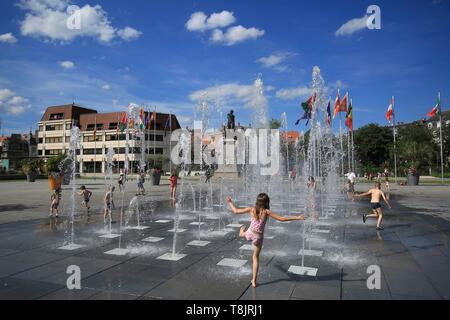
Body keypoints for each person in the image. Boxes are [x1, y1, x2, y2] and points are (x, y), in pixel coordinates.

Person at [226, 193, 305, 288]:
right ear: (267, 202)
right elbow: (282, 219)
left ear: (257, 201)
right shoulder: (267, 212)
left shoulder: (252, 209)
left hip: (250, 233)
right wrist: (297, 217)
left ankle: (242, 233)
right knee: (255, 257)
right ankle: (254, 281)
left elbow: (236, 211)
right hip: (258, 237)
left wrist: (230, 202)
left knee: (246, 233)